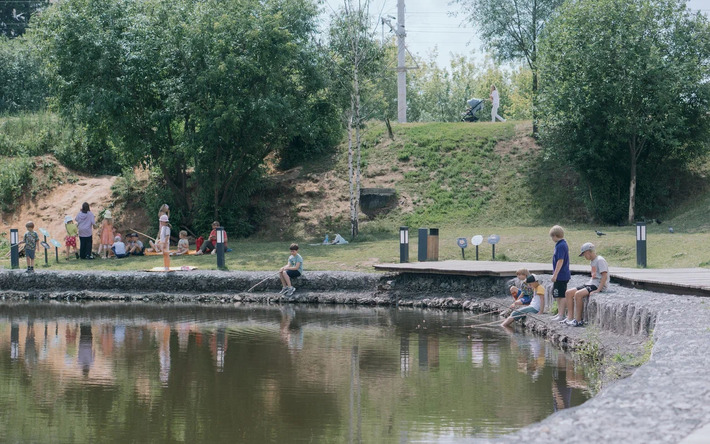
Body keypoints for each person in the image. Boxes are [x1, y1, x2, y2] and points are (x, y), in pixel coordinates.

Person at [563, 242, 609, 327]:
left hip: (597, 285)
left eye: (584, 255)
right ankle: (570, 317)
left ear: (588, 252)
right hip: (591, 283)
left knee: (578, 294)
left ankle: (578, 320)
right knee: (568, 293)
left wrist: (598, 289)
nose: (584, 257)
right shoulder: (592, 261)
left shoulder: (600, 260)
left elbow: (604, 276)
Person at [549, 225, 572, 322]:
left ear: (555, 235)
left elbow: (560, 261)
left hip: (561, 275)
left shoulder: (561, 245)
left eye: (552, 237)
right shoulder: (560, 244)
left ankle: (561, 315)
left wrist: (555, 274)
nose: (552, 239)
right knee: (557, 295)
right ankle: (559, 313)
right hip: (560, 275)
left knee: (561, 295)